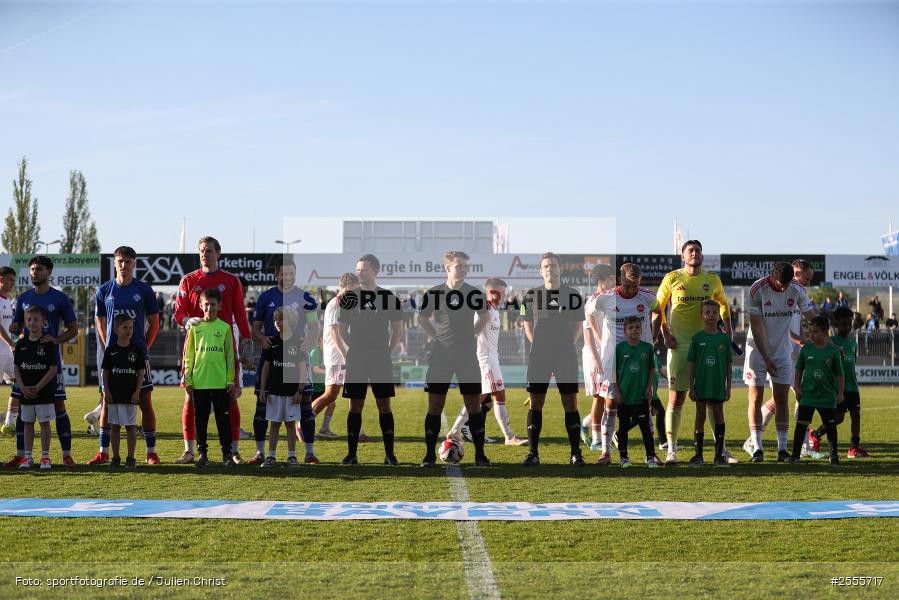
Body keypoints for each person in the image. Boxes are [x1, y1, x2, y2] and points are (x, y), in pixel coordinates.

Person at [173, 236, 251, 465]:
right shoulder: (188, 281)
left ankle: (233, 450)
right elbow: (178, 313)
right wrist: (187, 320)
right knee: (190, 399)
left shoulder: (231, 281)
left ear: (218, 253)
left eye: (208, 250)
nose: (204, 254)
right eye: (201, 251)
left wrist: (247, 347)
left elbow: (240, 315)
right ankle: (189, 450)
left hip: (225, 350)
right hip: (197, 350)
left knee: (231, 398)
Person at [656, 240, 731, 466]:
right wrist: (665, 334)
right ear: (683, 256)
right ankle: (671, 450)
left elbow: (724, 304)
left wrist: (726, 329)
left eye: (698, 250)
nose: (695, 253)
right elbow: (657, 307)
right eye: (690, 251)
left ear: (702, 255)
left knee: (711, 400)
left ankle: (721, 451)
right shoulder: (672, 278)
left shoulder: (712, 279)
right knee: (676, 398)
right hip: (679, 345)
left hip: (706, 345)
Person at [86, 246, 160, 465]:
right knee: (107, 401)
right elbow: (99, 320)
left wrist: (144, 347)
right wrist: (107, 344)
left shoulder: (144, 290)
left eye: (128, 262)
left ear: (134, 264)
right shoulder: (104, 291)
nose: (124, 266)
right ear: (114, 263)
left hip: (138, 356)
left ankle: (150, 452)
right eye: (120, 262)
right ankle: (103, 451)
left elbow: (154, 323)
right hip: (113, 357)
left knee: (145, 401)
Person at [3, 256, 78, 468]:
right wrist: (16, 330)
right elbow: (17, 326)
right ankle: (22, 455)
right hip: (26, 358)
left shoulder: (60, 299)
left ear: (49, 272)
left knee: (58, 404)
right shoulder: (24, 298)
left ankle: (66, 454)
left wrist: (56, 339)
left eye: (40, 269)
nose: (35, 272)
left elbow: (73, 329)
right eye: (32, 269)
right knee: (21, 402)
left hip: (50, 359)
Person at [583, 263, 660, 465]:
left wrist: (653, 335)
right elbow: (588, 312)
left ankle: (651, 454)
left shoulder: (647, 296)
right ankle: (606, 452)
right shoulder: (606, 297)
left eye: (635, 285)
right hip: (613, 361)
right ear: (621, 279)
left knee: (646, 403)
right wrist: (599, 338)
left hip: (640, 360)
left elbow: (659, 310)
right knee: (611, 404)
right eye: (628, 285)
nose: (632, 289)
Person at [419, 251, 491, 467]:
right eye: (458, 266)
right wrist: (437, 336)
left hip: (467, 356)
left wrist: (474, 333)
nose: (463, 269)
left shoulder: (475, 293)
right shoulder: (433, 293)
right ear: (447, 268)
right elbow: (422, 318)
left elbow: (485, 317)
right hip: (441, 356)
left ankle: (480, 455)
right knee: (435, 406)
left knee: (474, 406)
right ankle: (429, 456)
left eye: (465, 267)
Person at [248, 257, 319, 464]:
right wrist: (263, 339)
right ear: (276, 275)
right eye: (283, 273)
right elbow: (255, 327)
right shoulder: (265, 297)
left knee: (304, 404)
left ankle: (309, 452)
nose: (287, 276)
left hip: (297, 356)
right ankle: (261, 453)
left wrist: (311, 342)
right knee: (263, 404)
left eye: (291, 273)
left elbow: (314, 326)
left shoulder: (306, 297)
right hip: (273, 355)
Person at [743, 262, 816, 462]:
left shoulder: (797, 289)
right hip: (757, 351)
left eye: (787, 284)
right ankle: (756, 447)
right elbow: (757, 327)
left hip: (782, 352)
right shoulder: (757, 289)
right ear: (772, 278)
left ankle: (782, 450)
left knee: (782, 399)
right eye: (780, 284)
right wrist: (766, 358)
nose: (784, 288)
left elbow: (811, 317)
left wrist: (827, 340)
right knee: (756, 398)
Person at [336, 254, 403, 465]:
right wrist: (355, 348)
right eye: (357, 270)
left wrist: (387, 351)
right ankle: (351, 454)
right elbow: (341, 329)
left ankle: (390, 454)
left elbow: (398, 329)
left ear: (375, 271)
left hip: (380, 356)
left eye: (363, 269)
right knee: (355, 405)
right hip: (357, 356)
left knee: (384, 405)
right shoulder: (349, 298)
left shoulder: (388, 297)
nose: (359, 273)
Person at [521, 252, 586, 467]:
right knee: (536, 403)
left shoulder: (573, 294)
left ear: (560, 269)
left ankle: (576, 453)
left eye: (553, 265)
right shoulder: (530, 296)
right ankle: (533, 454)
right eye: (546, 266)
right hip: (539, 354)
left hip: (565, 355)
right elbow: (527, 324)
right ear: (541, 271)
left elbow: (578, 323)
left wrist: (569, 343)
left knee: (570, 402)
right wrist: (537, 345)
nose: (550, 269)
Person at [446, 277, 528, 446]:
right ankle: (509, 437)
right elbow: (472, 330)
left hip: (492, 359)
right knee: (491, 396)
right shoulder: (484, 310)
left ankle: (456, 431)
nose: (502, 296)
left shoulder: (495, 310)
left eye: (504, 293)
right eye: (499, 292)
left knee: (486, 398)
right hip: (485, 360)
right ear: (490, 292)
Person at [184, 288, 236, 468]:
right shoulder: (195, 328)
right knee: (201, 420)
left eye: (213, 304)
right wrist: (188, 380)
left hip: (221, 383)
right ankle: (202, 454)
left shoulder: (225, 328)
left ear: (219, 305)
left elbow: (230, 356)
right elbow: (189, 355)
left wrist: (230, 380)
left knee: (223, 420)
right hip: (200, 382)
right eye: (206, 304)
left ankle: (227, 454)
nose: (209, 307)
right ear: (200, 305)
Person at [809, 306, 869, 458]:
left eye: (850, 324)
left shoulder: (853, 343)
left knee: (856, 416)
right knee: (838, 418)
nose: (847, 327)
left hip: (853, 387)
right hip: (838, 388)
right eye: (844, 324)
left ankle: (853, 448)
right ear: (836, 325)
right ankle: (816, 434)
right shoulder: (831, 342)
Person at [311, 273, 363, 440]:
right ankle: (303, 424)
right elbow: (334, 333)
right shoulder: (335, 304)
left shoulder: (345, 304)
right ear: (347, 286)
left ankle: (358, 432)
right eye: (356, 288)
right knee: (330, 395)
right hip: (336, 357)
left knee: (354, 393)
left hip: (344, 355)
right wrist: (345, 355)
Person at [787, 316, 843, 466]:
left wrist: (840, 392)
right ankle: (795, 456)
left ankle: (834, 456)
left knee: (830, 426)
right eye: (810, 331)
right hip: (808, 395)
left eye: (816, 332)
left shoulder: (833, 352)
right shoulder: (806, 349)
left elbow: (839, 374)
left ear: (826, 333)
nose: (812, 334)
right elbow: (799, 369)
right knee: (801, 424)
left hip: (827, 396)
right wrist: (797, 386)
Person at [258, 306, 307, 467]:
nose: (277, 322)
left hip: (292, 393)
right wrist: (263, 389)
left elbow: (302, 369)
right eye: (275, 319)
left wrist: (300, 390)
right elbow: (265, 367)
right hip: (274, 392)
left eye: (281, 319)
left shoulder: (299, 343)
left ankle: (292, 456)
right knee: (274, 424)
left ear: (291, 321)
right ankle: (271, 456)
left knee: (291, 425)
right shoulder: (271, 342)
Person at [687, 300, 733, 467]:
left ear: (719, 315)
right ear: (702, 315)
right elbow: (691, 363)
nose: (711, 315)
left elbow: (729, 364)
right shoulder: (697, 339)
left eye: (715, 312)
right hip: (701, 384)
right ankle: (698, 455)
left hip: (717, 384)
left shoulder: (724, 339)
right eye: (708, 312)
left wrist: (728, 387)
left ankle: (718, 456)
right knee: (700, 416)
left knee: (719, 414)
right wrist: (690, 386)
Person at [12, 306, 57, 469]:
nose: (32, 323)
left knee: (45, 423)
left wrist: (38, 387)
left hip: (43, 392)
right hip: (26, 392)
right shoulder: (21, 343)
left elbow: (53, 369)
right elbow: (17, 367)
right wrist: (22, 387)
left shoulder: (48, 343)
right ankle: (28, 457)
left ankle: (45, 457)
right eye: (29, 319)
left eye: (36, 320)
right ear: (25, 322)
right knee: (28, 423)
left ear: (44, 322)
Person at [613, 316, 661, 468]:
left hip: (641, 396)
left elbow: (652, 368)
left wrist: (649, 387)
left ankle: (650, 457)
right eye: (631, 328)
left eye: (637, 328)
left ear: (641, 330)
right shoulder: (620, 348)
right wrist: (617, 391)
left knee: (646, 429)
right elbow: (614, 371)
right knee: (623, 429)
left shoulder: (647, 348)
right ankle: (623, 458)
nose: (634, 330)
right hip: (624, 397)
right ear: (625, 331)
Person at [578, 263, 616, 452]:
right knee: (598, 397)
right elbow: (588, 335)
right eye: (610, 278)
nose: (614, 281)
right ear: (601, 281)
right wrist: (596, 358)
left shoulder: (610, 300)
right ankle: (595, 439)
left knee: (608, 396)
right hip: (594, 356)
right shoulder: (591, 302)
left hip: (607, 354)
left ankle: (585, 424)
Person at [100, 314, 145, 469]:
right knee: (115, 426)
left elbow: (140, 373)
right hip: (114, 395)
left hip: (130, 395)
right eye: (125, 327)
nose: (128, 330)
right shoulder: (110, 350)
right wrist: (106, 391)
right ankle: (116, 458)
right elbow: (105, 373)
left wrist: (137, 391)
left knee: (131, 426)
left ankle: (131, 458)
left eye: (131, 327)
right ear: (116, 329)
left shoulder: (136, 350)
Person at [0, 266, 19, 435]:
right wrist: (11, 344)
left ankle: (9, 422)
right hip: (2, 351)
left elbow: (7, 326)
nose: (12, 283)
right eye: (9, 279)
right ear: (1, 279)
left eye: (13, 280)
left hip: (8, 352)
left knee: (19, 383)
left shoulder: (7, 300)